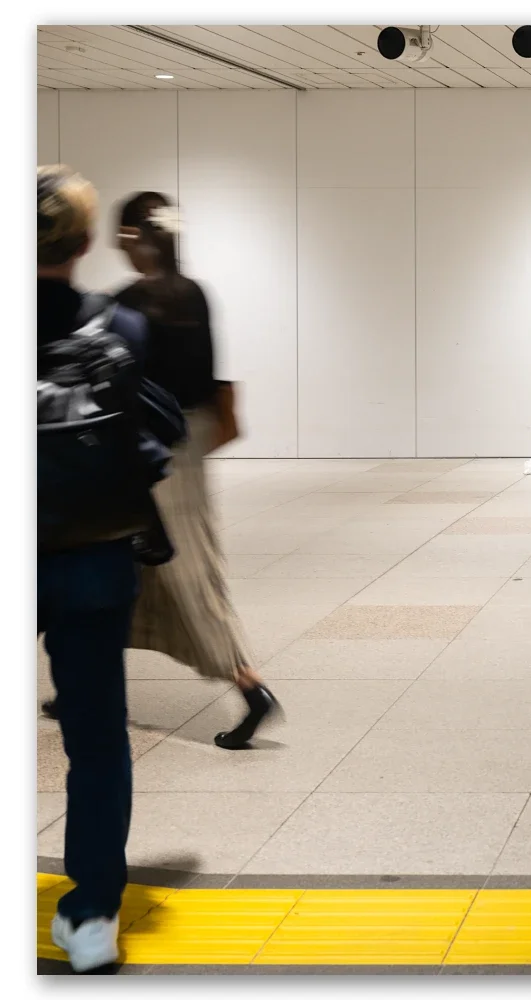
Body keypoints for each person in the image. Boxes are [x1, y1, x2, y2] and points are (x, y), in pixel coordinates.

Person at [38, 165, 163, 972]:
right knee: (95, 738)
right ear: (87, 243)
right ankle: (90, 919)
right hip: (91, 557)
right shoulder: (121, 325)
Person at [114, 192, 278, 748]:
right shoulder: (196, 295)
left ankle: (249, 684)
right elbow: (210, 377)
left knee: (182, 570)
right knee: (146, 566)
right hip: (191, 439)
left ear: (137, 237)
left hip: (150, 451)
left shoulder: (129, 302)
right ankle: (82, 682)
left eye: (123, 235)